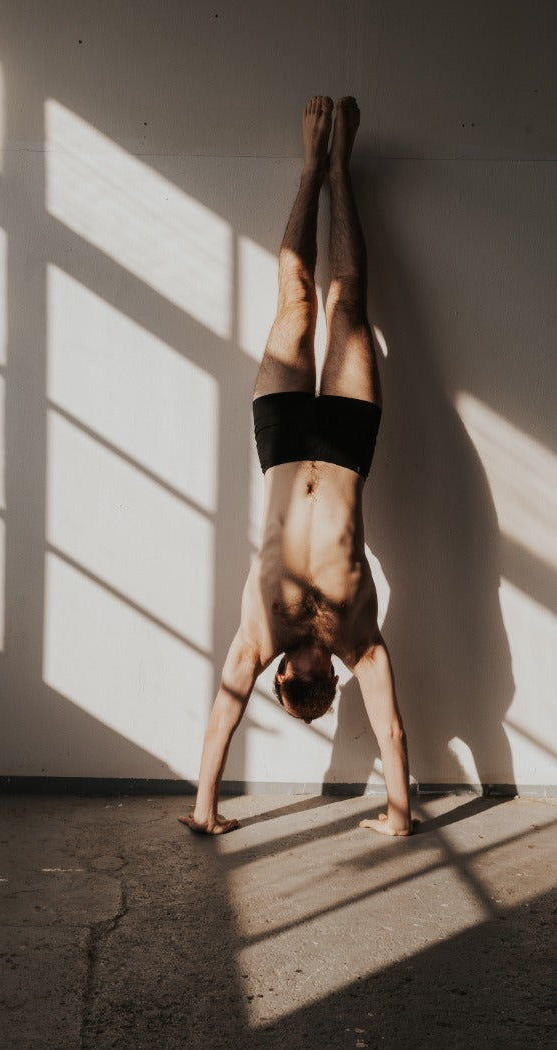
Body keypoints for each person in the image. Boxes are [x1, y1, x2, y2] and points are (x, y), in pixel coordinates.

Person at [179, 97, 415, 838]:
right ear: (331, 676)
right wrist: (400, 815)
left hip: (282, 445)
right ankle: (340, 172)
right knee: (349, 309)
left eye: (297, 690)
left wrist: (203, 809)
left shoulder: (259, 636)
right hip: (347, 447)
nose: (310, 683)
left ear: (283, 676)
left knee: (296, 302)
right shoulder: (360, 638)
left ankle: (311, 169)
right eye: (318, 691)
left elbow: (223, 710)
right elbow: (393, 735)